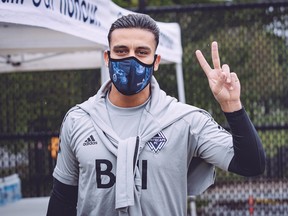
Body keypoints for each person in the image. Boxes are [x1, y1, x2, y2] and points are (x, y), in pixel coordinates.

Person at [46, 14, 265, 216]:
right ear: (107, 57)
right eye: (121, 51)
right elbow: (63, 198)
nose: (131, 59)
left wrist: (232, 105)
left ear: (156, 61)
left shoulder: (186, 121)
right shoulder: (79, 119)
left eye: (142, 52)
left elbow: (251, 165)